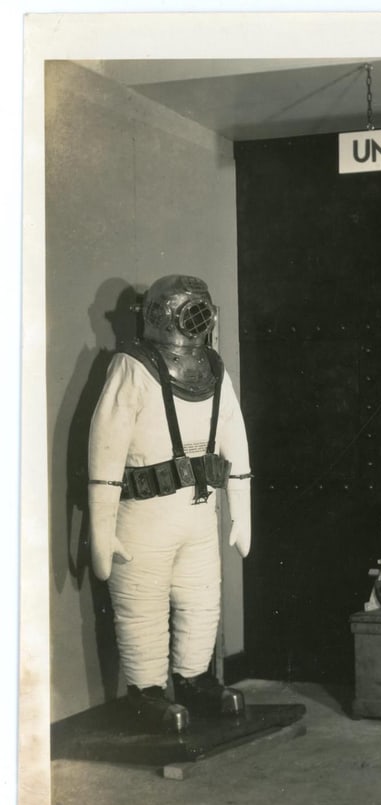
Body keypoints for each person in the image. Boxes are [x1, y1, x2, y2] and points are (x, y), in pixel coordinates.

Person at [87, 274, 252, 733]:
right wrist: (103, 529)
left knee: (201, 599)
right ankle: (147, 692)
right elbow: (105, 451)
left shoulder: (215, 370)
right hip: (144, 515)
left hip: (198, 514)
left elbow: (234, 438)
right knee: (142, 603)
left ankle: (196, 678)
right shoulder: (131, 367)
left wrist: (241, 510)